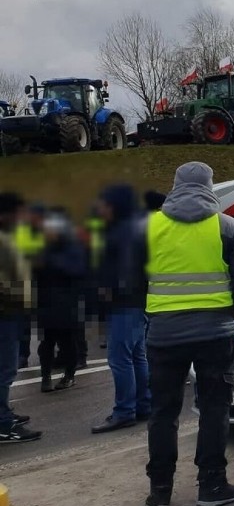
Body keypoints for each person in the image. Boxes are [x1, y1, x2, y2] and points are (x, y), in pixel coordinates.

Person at [144, 162, 234, 506]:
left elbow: (128, 282)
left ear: (175, 186)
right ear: (210, 187)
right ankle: (212, 485)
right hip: (215, 335)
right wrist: (228, 315)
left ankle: (159, 493)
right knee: (214, 408)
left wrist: (153, 315)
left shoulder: (149, 227)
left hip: (163, 335)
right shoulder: (228, 227)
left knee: (163, 412)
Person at [92, 185, 151, 434]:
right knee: (137, 356)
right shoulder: (136, 228)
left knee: (120, 359)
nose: (100, 208)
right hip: (137, 303)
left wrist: (107, 292)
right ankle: (143, 404)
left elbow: (123, 271)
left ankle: (124, 411)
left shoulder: (121, 232)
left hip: (123, 304)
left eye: (103, 204)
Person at [0, 192, 41, 443]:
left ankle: (4, 414)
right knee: (4, 371)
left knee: (6, 370)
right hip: (5, 314)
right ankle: (3, 425)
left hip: (11, 314)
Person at [34, 211, 87, 392]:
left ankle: (69, 375)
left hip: (66, 304)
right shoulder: (44, 249)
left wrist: (49, 263)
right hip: (46, 303)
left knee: (67, 342)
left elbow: (78, 271)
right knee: (46, 343)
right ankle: (45, 377)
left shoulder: (72, 249)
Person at [14, 202, 44, 368]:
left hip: (45, 283)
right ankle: (22, 355)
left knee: (46, 322)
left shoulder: (47, 232)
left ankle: (51, 353)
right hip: (25, 283)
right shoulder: (22, 231)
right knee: (23, 322)